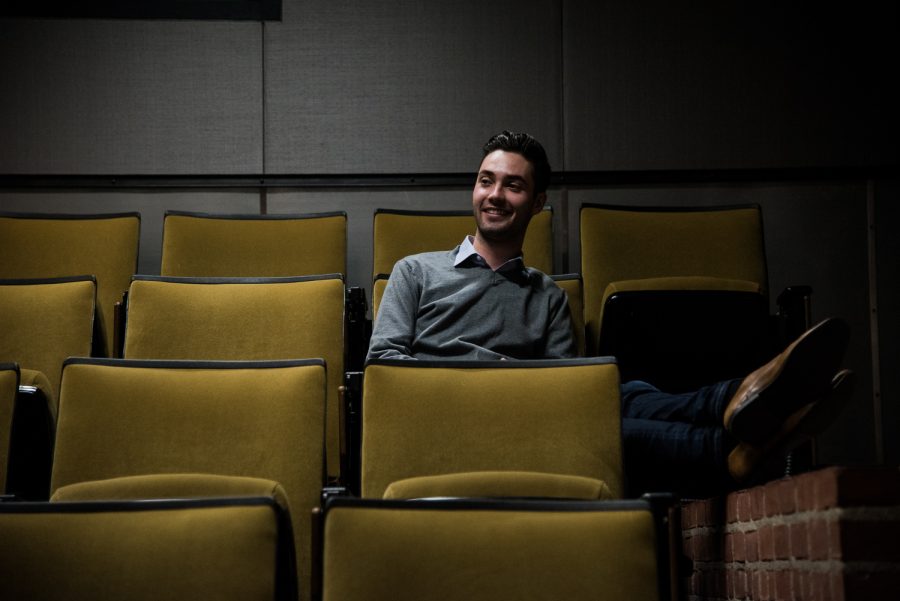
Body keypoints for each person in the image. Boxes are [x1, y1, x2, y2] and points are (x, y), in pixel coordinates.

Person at [368, 130, 852, 497]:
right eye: (485, 181)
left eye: (512, 185)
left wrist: (524, 388)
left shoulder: (548, 296)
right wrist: (487, 376)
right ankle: (744, 409)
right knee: (612, 403)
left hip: (529, 418)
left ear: (536, 203)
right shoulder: (415, 272)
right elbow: (384, 365)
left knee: (614, 396)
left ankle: (737, 437)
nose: (494, 195)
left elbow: (569, 393)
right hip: (443, 414)